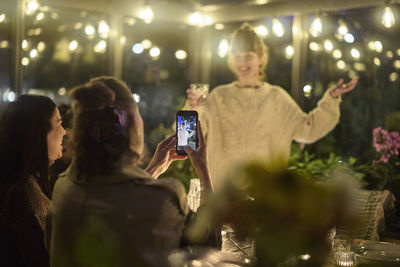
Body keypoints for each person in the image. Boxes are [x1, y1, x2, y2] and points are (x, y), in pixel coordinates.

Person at [46, 77, 217, 267]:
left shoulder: (63, 188)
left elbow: (118, 196)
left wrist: (153, 169)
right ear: (135, 124)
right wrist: (202, 167)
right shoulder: (164, 199)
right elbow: (210, 245)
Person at [185, 23, 359, 190]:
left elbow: (308, 130)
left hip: (266, 198)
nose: (242, 62)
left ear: (261, 58)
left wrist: (330, 99)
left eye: (248, 56)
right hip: (223, 197)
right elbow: (186, 141)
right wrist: (193, 108)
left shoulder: (276, 97)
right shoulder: (218, 96)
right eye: (237, 56)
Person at [0, 95, 66, 267]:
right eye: (58, 123)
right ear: (37, 133)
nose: (64, 131)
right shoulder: (27, 197)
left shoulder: (24, 184)